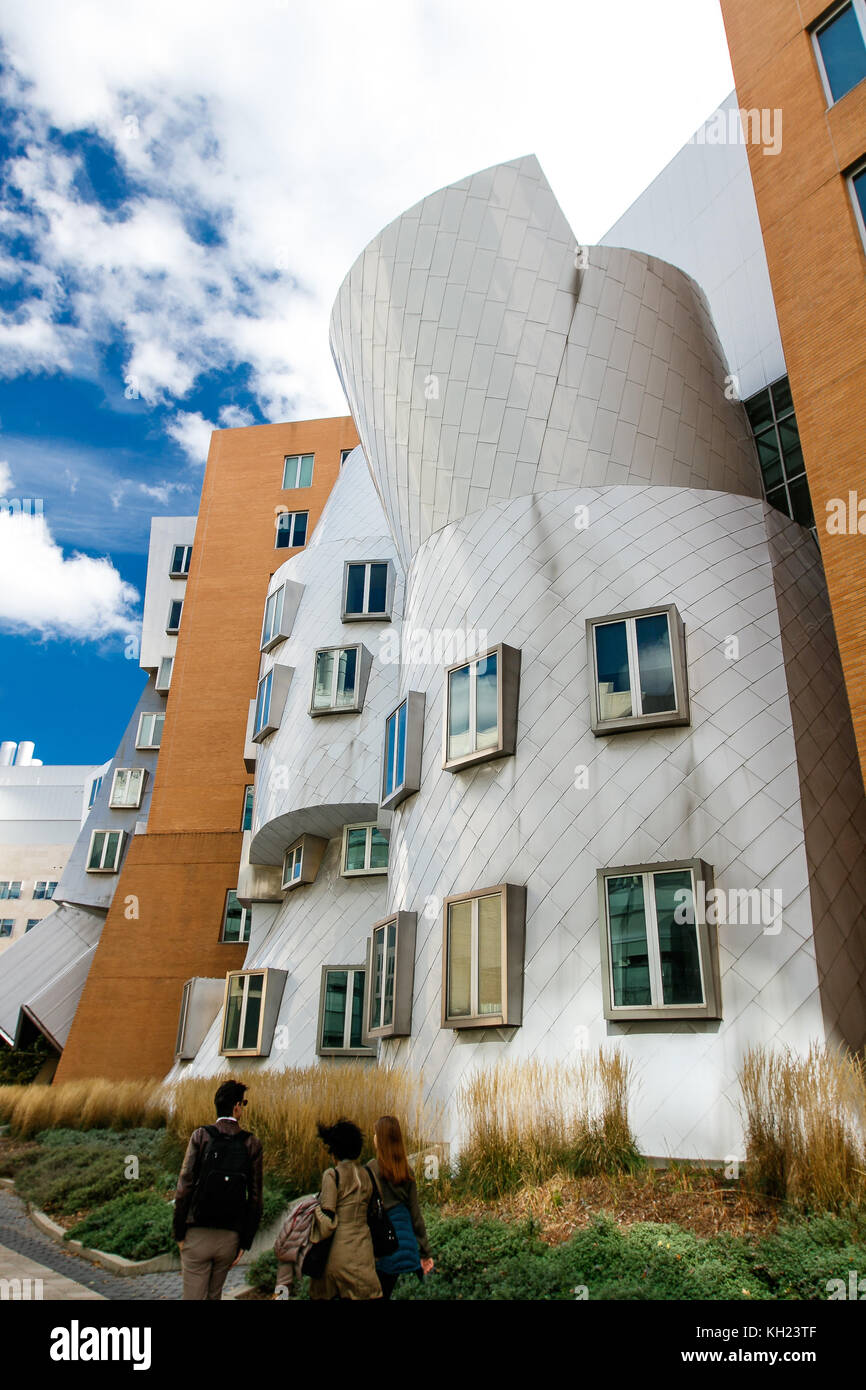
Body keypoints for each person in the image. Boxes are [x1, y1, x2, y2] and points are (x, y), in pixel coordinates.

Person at [172, 1079, 264, 1300]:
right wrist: (245, 1241)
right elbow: (256, 1198)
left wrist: (179, 1233)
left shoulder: (201, 1136)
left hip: (197, 1233)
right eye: (244, 1103)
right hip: (229, 1237)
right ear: (236, 1107)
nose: (243, 1108)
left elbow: (184, 1187)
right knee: (215, 1295)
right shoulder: (251, 1143)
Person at [309, 1118, 382, 1301]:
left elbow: (326, 1224)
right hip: (364, 1254)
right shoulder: (369, 1175)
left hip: (336, 1255)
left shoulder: (332, 1175)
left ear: (334, 1151)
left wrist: (312, 1208)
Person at [367, 1115, 434, 1299]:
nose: (373, 1137)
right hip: (402, 1245)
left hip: (379, 1246)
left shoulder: (370, 1170)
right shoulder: (407, 1171)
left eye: (375, 1133)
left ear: (380, 1139)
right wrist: (425, 1252)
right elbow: (415, 1215)